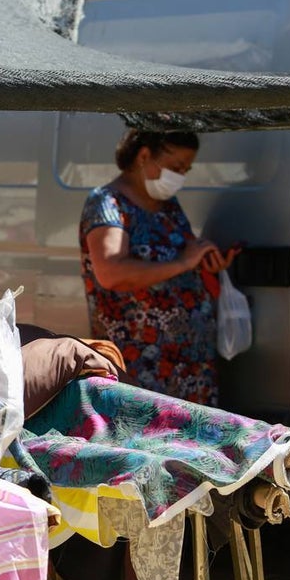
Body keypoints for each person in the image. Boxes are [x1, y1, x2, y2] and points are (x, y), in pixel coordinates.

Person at [79, 129, 239, 406]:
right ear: (143, 156)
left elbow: (183, 255)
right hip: (143, 363)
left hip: (188, 363)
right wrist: (182, 263)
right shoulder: (107, 203)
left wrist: (204, 261)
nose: (181, 176)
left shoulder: (168, 206)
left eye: (186, 169)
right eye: (176, 167)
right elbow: (111, 273)